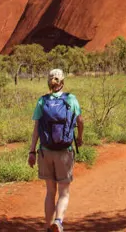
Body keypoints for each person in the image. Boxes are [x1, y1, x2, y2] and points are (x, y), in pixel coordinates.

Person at [28, 68, 84, 232]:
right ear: (62, 82)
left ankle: (47, 226)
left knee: (50, 191)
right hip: (64, 151)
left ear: (49, 82)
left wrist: (32, 152)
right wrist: (79, 138)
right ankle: (58, 222)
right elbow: (80, 121)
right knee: (64, 192)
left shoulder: (42, 101)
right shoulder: (71, 99)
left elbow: (37, 128)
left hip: (45, 151)